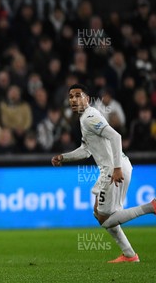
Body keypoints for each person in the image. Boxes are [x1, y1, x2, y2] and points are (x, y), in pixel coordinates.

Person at [51, 84, 156, 263]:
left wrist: (116, 169)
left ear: (88, 99)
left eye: (78, 95)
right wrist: (64, 157)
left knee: (104, 219)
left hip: (114, 169)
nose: (74, 100)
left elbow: (116, 137)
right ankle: (129, 255)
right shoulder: (85, 118)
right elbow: (86, 150)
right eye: (71, 96)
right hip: (116, 167)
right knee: (99, 212)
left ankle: (150, 207)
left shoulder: (90, 116)